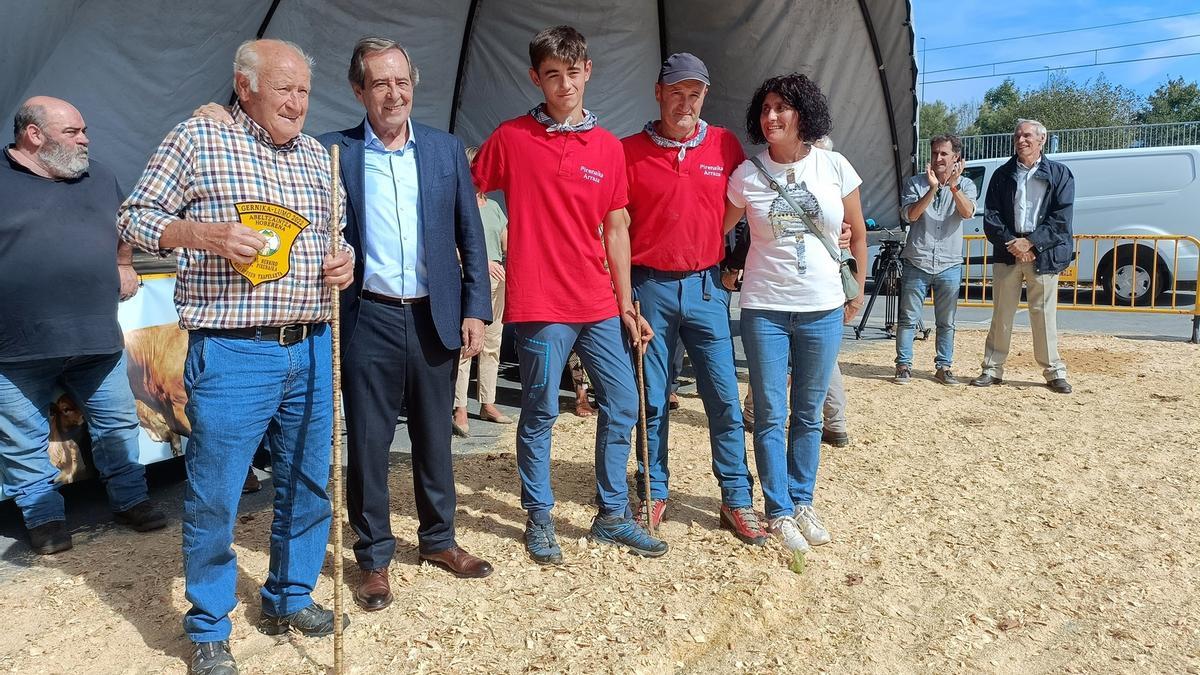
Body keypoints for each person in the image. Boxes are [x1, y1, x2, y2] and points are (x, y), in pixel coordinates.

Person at [118, 39, 354, 675]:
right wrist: (200, 234)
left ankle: (289, 595)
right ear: (245, 87)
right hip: (233, 351)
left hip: (310, 343)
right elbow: (135, 216)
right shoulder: (200, 137)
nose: (297, 102)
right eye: (283, 88)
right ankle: (209, 625)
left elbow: (336, 242)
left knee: (307, 483)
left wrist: (344, 262)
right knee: (216, 493)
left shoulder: (316, 155)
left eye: (304, 90)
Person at [472, 25, 666, 564]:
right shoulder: (511, 137)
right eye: (552, 75)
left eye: (572, 73)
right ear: (536, 78)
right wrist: (479, 251)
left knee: (624, 401)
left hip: (598, 301)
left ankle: (611, 515)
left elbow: (617, 228)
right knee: (539, 413)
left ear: (587, 72)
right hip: (538, 304)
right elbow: (470, 190)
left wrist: (626, 303)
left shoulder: (606, 147)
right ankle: (539, 516)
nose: (564, 85)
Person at [318, 37, 495, 612]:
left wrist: (475, 307)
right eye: (380, 84)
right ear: (358, 91)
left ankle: (439, 541)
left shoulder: (445, 150)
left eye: (402, 82)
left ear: (413, 86)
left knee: (433, 434)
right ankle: (374, 558)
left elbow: (470, 232)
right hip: (367, 315)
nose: (393, 94)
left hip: (432, 315)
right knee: (368, 441)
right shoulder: (334, 153)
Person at [1, 96, 166, 556]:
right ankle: (46, 519)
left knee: (117, 425)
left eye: (83, 130)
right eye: (73, 132)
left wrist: (123, 263)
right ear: (33, 135)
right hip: (16, 344)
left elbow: (126, 226)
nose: (85, 140)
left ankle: (132, 501)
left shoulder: (101, 176)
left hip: (95, 338)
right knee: (23, 439)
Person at [620, 53, 767, 545]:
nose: (686, 103)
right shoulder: (628, 151)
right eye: (676, 93)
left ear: (705, 96)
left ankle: (735, 498)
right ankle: (654, 489)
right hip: (650, 289)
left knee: (723, 398)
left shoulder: (724, 144)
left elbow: (744, 205)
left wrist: (716, 248)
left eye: (695, 94)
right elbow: (612, 226)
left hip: (706, 289)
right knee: (652, 398)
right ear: (658, 92)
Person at [723, 73, 867, 555]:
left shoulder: (835, 167)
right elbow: (717, 229)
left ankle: (802, 500)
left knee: (807, 414)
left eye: (782, 107)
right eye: (765, 108)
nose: (771, 117)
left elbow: (858, 232)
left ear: (803, 113)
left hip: (822, 306)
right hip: (764, 307)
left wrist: (857, 287)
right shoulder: (746, 175)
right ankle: (778, 509)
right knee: (769, 413)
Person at [733, 137, 853, 447]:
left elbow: (853, 231)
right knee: (791, 382)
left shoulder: (833, 169)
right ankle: (834, 420)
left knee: (807, 395)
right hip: (771, 299)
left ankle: (757, 412)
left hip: (818, 299)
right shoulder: (754, 174)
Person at [970, 119, 1074, 394]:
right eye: (1017, 135)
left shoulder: (1060, 174)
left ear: (1042, 139)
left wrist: (1032, 244)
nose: (1021, 140)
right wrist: (1012, 244)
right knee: (1002, 313)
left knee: (1043, 314)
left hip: (1044, 254)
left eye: (1027, 135)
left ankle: (1053, 371)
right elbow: (991, 217)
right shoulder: (1003, 174)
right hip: (1009, 251)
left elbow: (1061, 219)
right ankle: (992, 369)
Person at [894, 133, 977, 385]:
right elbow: (911, 215)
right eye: (934, 154)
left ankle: (944, 366)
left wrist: (952, 187)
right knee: (908, 317)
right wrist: (932, 189)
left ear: (956, 158)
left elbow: (967, 212)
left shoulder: (967, 185)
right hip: (917, 260)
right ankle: (903, 365)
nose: (938, 159)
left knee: (946, 320)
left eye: (944, 154)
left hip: (949, 263)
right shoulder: (916, 183)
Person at [453, 145, 511, 436]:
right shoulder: (456, 204)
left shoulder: (494, 207)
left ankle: (488, 402)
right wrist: (482, 262)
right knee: (468, 344)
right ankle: (459, 406)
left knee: (492, 343)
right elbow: (450, 246)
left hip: (498, 283)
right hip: (470, 280)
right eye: (478, 167)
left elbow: (506, 243)